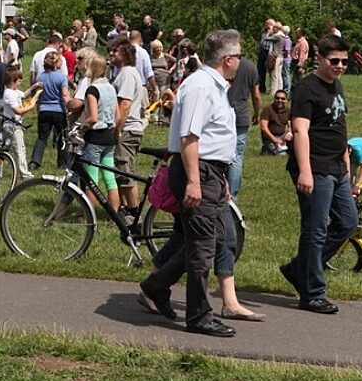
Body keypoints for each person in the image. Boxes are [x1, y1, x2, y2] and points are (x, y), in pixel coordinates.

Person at [139, 30, 242, 338]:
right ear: (227, 59)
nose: (240, 61)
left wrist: (218, 179)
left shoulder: (214, 86)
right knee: (201, 247)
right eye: (238, 56)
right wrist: (196, 181)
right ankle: (198, 315)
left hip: (211, 172)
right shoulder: (200, 87)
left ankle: (155, 285)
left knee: (214, 237)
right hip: (198, 170)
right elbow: (189, 138)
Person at [279, 33, 358, 315]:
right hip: (315, 168)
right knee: (315, 229)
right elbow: (300, 130)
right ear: (321, 59)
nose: (340, 66)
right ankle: (312, 293)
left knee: (348, 222)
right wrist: (305, 171)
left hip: (337, 168)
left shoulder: (336, 86)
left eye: (344, 62)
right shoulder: (306, 88)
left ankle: (299, 268)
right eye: (334, 61)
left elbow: (340, 126)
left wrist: (347, 166)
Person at [78, 55, 119, 212]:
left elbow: (93, 118)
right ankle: (114, 214)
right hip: (109, 137)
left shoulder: (92, 90)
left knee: (92, 179)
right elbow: (118, 116)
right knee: (110, 178)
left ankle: (88, 214)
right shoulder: (111, 88)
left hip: (95, 138)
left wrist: (81, 128)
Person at [111, 38, 146, 212]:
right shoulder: (124, 73)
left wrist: (117, 129)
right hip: (126, 128)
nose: (111, 54)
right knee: (120, 171)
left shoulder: (127, 74)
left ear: (125, 54)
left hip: (127, 129)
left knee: (125, 172)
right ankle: (125, 207)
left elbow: (124, 105)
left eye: (115, 51)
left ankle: (134, 211)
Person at [30, 51, 69, 171]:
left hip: (44, 110)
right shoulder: (61, 77)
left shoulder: (40, 77)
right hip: (59, 110)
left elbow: (36, 93)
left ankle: (35, 161)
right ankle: (62, 163)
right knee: (62, 138)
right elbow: (64, 94)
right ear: (56, 63)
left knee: (42, 137)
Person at [1, 69, 36, 177]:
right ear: (12, 81)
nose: (21, 83)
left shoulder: (15, 91)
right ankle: (24, 173)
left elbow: (24, 95)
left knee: (4, 148)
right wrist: (31, 107)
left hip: (11, 124)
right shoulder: (9, 94)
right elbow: (18, 111)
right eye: (19, 81)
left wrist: (35, 86)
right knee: (19, 149)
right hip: (13, 125)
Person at [259, 90, 292, 155]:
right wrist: (275, 140)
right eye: (277, 98)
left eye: (283, 99)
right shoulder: (268, 109)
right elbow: (263, 127)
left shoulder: (287, 110)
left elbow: (291, 125)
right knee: (282, 155)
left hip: (282, 137)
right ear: (274, 99)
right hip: (270, 138)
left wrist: (289, 133)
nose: (280, 100)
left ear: (286, 100)